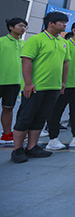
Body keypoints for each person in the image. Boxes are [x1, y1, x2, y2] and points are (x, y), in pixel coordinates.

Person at [11, 12, 70, 163]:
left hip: (53, 87)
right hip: (36, 87)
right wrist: (28, 83)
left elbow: (65, 63)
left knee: (40, 118)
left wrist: (62, 83)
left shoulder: (63, 42)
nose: (65, 25)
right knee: (25, 117)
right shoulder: (36, 39)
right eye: (62, 22)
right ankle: (17, 150)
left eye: (65, 23)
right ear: (51, 23)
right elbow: (26, 61)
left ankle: (32, 147)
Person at [46, 22, 75, 150]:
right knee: (56, 112)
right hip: (65, 85)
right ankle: (53, 139)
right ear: (74, 30)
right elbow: (61, 63)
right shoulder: (65, 44)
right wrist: (61, 82)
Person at [0, 17, 27, 145]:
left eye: (25, 27)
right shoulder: (1, 41)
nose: (23, 29)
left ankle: (6, 134)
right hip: (1, 80)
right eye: (20, 26)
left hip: (15, 82)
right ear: (11, 27)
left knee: (8, 108)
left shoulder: (24, 44)